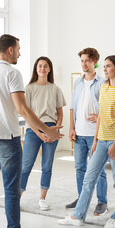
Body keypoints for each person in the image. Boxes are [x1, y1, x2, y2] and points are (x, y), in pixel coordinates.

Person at [0, 34, 63, 228]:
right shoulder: (12, 73)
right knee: (11, 190)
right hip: (7, 137)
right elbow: (22, 109)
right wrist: (47, 129)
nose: (20, 53)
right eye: (18, 49)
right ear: (9, 50)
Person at [58, 55, 115, 228]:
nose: (104, 69)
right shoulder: (104, 87)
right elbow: (101, 117)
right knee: (89, 179)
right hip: (101, 140)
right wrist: (96, 140)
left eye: (108, 66)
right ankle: (78, 215)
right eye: (104, 66)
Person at [66, 47, 108, 216]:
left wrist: (99, 116)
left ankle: (102, 201)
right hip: (79, 134)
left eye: (87, 61)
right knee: (79, 168)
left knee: (99, 170)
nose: (83, 64)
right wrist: (71, 128)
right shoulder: (77, 82)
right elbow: (72, 107)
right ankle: (82, 197)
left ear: (94, 62)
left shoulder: (103, 83)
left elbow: (108, 107)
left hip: (95, 134)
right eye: (82, 60)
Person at [20, 56, 66, 211]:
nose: (42, 69)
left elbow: (60, 112)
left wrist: (56, 129)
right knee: (26, 165)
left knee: (47, 165)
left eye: (45, 66)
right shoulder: (29, 88)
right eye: (40, 66)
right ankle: (17, 197)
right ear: (36, 68)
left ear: (49, 69)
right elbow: (26, 114)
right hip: (33, 129)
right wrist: (39, 133)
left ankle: (42, 198)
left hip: (52, 127)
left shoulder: (55, 89)